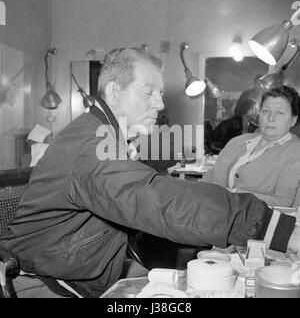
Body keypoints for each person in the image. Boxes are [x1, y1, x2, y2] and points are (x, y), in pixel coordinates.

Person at [0, 48, 299, 298]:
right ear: (115, 91)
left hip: (83, 270)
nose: (160, 103)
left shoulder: (104, 135)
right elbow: (157, 200)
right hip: (47, 283)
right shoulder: (91, 146)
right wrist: (271, 227)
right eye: (148, 92)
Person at [203, 85, 300, 208]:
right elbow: (210, 176)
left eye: (280, 113)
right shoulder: (237, 141)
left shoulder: (296, 153)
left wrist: (233, 195)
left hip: (257, 224)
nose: (270, 118)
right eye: (265, 111)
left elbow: (283, 202)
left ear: (293, 120)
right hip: (211, 214)